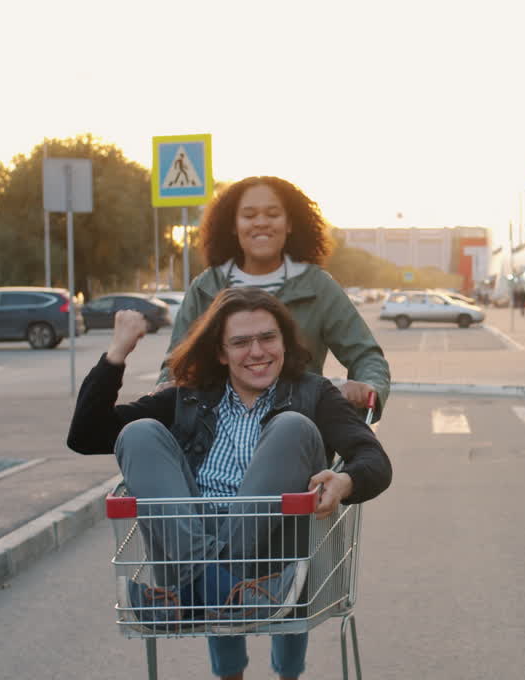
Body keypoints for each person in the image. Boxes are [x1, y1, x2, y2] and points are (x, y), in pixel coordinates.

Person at [68, 288, 392, 680]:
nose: (257, 351)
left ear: (285, 343)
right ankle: (219, 589)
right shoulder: (188, 398)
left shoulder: (314, 393)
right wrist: (117, 352)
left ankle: (201, 591)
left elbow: (374, 460)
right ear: (221, 353)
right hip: (191, 543)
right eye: (240, 342)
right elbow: (85, 436)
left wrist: (344, 480)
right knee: (139, 433)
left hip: (277, 560)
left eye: (268, 338)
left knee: (292, 426)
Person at [158, 176, 388, 420]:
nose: (261, 223)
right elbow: (177, 364)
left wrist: (368, 387)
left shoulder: (318, 286)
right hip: (211, 440)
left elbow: (366, 356)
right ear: (233, 225)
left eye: (272, 214)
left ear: (289, 223)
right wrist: (166, 389)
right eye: (249, 215)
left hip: (297, 436)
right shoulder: (206, 287)